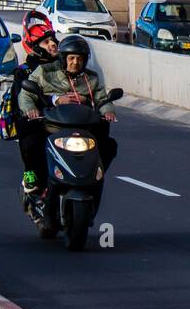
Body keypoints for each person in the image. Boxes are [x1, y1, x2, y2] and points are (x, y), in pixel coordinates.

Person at [17, 35, 118, 195]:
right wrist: (33, 108)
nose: (75, 63)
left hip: (82, 127)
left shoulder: (91, 78)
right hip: (51, 124)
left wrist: (108, 111)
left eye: (79, 59)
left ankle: (95, 175)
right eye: (71, 58)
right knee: (29, 133)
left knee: (109, 145)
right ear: (63, 58)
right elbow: (26, 94)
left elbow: (102, 99)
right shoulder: (45, 71)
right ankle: (31, 173)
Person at [14, 19, 60, 193]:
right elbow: (24, 100)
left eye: (54, 41)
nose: (52, 44)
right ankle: (29, 173)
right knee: (31, 136)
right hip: (37, 119)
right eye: (46, 42)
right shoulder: (24, 71)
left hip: (64, 119)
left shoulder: (64, 67)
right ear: (34, 45)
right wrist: (38, 108)